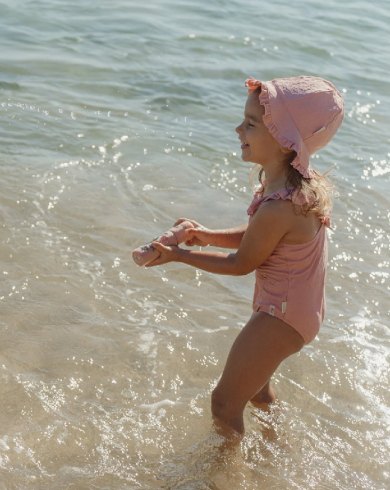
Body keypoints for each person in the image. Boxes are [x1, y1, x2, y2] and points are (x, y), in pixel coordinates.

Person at [146, 76, 344, 436]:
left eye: (251, 124)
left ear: (284, 140)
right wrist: (205, 235)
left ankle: (224, 470)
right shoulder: (293, 187)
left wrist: (179, 256)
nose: (239, 129)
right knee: (256, 392)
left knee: (224, 403)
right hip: (295, 311)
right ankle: (276, 448)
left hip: (281, 317)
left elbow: (242, 263)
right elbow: (260, 238)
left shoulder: (280, 207)